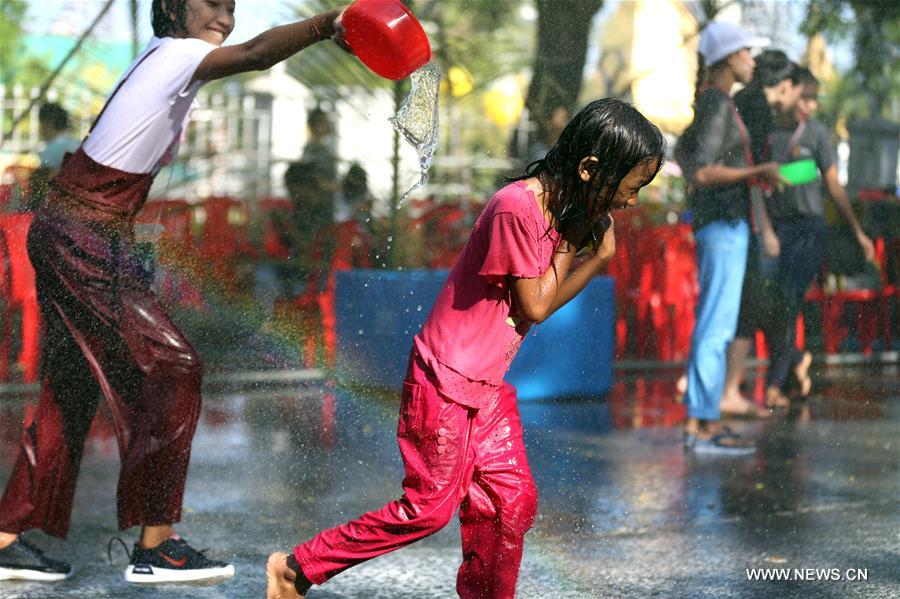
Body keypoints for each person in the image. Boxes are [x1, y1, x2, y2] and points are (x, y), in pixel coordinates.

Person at [0, 0, 348, 585]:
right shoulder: (181, 53)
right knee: (175, 367)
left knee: (71, 392)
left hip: (74, 226)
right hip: (84, 232)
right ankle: (157, 544)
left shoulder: (162, 57)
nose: (225, 16)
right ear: (173, 8)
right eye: (212, 3)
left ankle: (5, 537)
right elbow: (260, 54)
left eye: (233, 7)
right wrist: (327, 23)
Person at [265, 98, 665, 599]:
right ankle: (297, 568)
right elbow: (536, 305)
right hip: (445, 382)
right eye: (628, 189)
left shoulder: (555, 212)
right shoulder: (517, 207)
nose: (628, 204)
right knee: (428, 508)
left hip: (485, 385)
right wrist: (587, 247)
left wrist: (579, 237)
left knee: (510, 501)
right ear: (589, 169)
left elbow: (532, 303)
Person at [722, 66, 874, 410]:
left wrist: (857, 231)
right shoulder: (768, 132)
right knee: (768, 303)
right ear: (790, 92)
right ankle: (796, 361)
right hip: (774, 230)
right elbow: (759, 181)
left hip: (808, 230)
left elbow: (833, 185)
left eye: (814, 99)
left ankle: (776, 383)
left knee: (787, 302)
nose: (809, 105)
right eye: (805, 97)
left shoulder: (818, 134)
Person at [674, 21, 784, 455]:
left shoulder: (715, 102)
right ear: (728, 58)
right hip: (723, 224)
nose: (751, 60)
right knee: (715, 325)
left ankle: (705, 420)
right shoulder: (717, 104)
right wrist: (757, 172)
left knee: (716, 323)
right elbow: (701, 170)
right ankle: (701, 425)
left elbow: (687, 155)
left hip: (725, 224)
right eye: (745, 53)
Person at [719, 50, 806, 415]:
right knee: (746, 303)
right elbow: (753, 173)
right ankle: (727, 392)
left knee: (739, 303)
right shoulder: (757, 110)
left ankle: (722, 388)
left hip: (736, 213)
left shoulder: (743, 102)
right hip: (744, 216)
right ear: (785, 85)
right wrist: (765, 227)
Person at [27, 103, 82, 211]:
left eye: (40, 123)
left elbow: (41, 185)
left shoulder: (52, 149)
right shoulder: (77, 144)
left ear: (47, 123)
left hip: (58, 206)